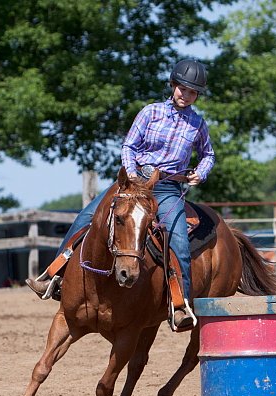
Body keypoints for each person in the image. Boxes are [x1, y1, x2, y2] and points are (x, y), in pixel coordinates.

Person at [26, 59, 215, 331]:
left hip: (166, 188)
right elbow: (130, 145)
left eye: (192, 92)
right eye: (182, 88)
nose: (185, 95)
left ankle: (179, 303)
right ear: (172, 85)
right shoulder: (150, 113)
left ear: (197, 95)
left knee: (179, 241)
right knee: (87, 217)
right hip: (133, 182)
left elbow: (208, 154)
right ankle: (54, 276)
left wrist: (201, 171)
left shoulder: (197, 124)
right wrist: (132, 174)